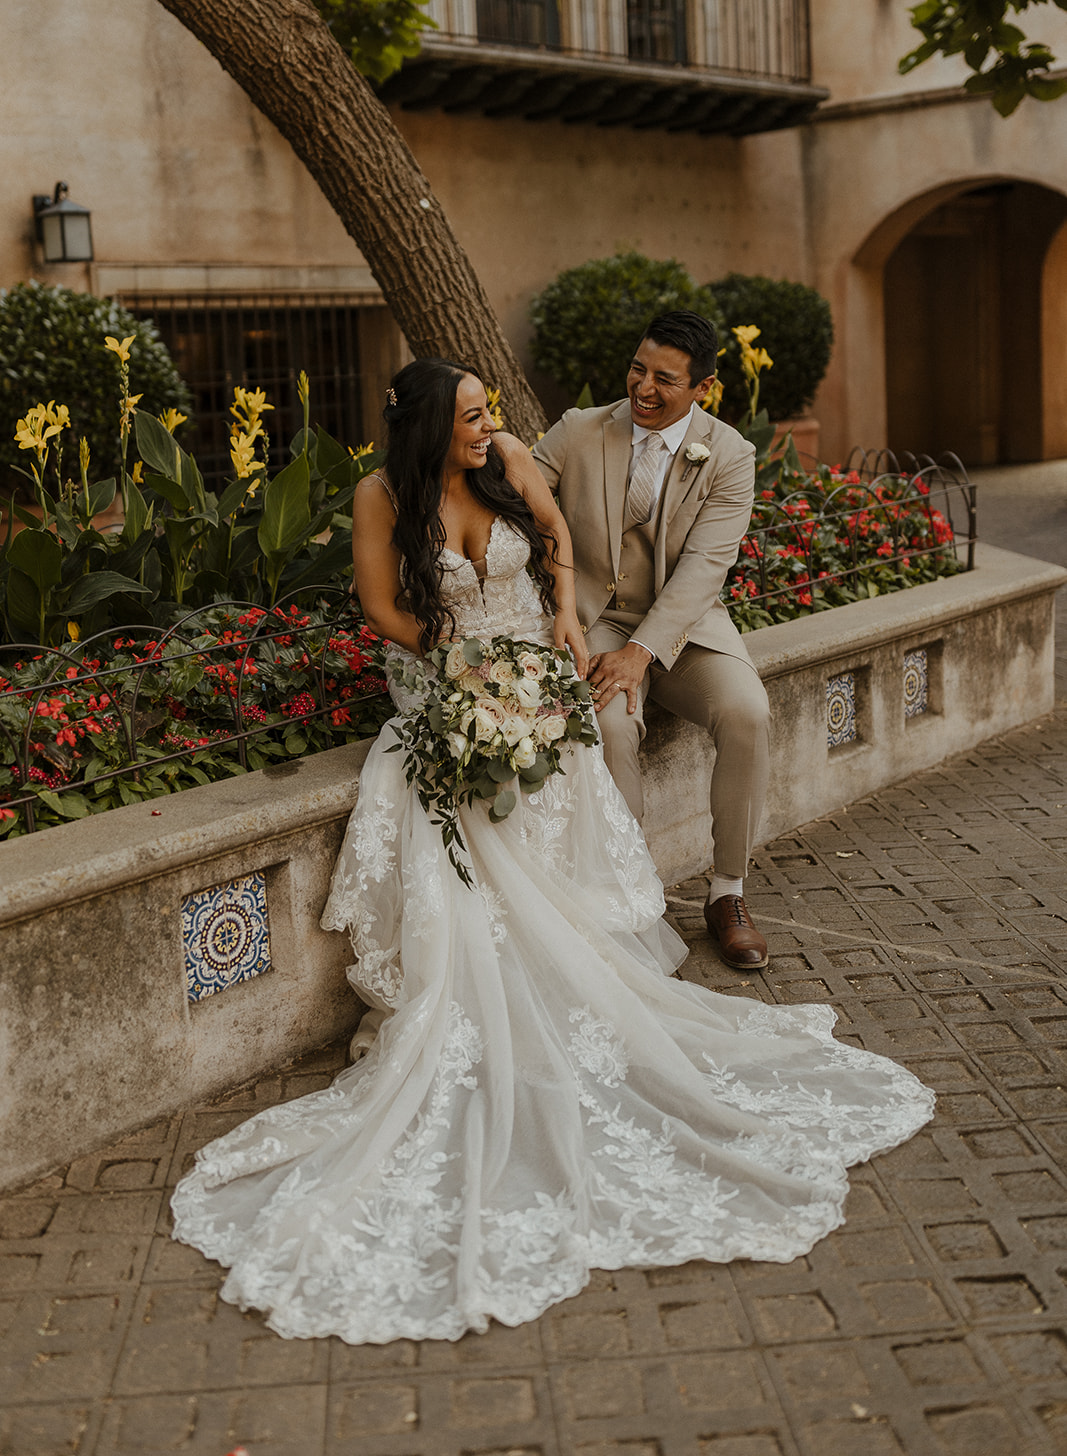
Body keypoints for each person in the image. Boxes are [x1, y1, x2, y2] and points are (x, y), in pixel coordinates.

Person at [170, 358, 934, 1346]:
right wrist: (462, 673)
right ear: (425, 426)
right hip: (446, 684)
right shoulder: (379, 493)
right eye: (473, 415)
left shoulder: (510, 462)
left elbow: (557, 538)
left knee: (551, 830)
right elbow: (381, 609)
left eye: (490, 411)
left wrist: (560, 624)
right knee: (460, 838)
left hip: (535, 677)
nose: (490, 426)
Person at [533, 310, 772, 971]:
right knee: (609, 728)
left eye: (663, 379)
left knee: (747, 712)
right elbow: (513, 494)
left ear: (703, 387)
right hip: (595, 622)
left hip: (685, 627)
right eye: (637, 369)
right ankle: (630, 893)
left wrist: (642, 655)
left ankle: (727, 893)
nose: (642, 388)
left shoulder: (728, 454)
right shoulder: (578, 430)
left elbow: (704, 568)